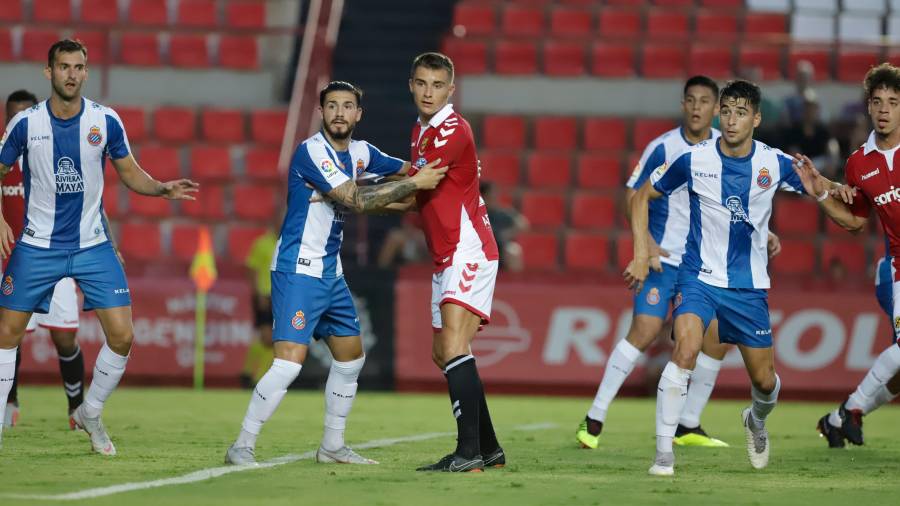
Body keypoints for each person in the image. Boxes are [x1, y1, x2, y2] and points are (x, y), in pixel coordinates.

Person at [223, 80, 447, 466]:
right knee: (288, 363)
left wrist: (445, 180)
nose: (339, 113)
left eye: (347, 106)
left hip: (331, 272)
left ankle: (332, 446)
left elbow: (412, 171)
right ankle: (242, 445)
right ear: (321, 112)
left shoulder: (361, 153)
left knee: (350, 359)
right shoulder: (312, 152)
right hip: (297, 269)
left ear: (358, 114)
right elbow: (356, 199)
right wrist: (415, 185)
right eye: (332, 106)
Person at [0, 39, 199, 453]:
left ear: (86, 72)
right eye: (64, 66)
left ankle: (90, 411)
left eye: (79, 67)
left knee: (123, 336)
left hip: (93, 245)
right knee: (6, 333)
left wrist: (161, 189)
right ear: (48, 72)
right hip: (38, 245)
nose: (72, 74)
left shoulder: (105, 121)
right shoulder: (26, 124)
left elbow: (129, 172)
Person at [628, 79, 805, 476]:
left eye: (740, 113)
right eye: (726, 111)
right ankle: (663, 455)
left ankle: (756, 419)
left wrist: (841, 193)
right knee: (685, 349)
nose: (730, 119)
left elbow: (817, 189)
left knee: (765, 381)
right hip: (698, 278)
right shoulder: (694, 159)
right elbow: (642, 195)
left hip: (747, 287)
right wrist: (643, 249)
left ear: (756, 119)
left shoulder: (773, 162)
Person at [578, 76, 736, 450]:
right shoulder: (662, 147)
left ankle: (688, 424)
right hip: (663, 261)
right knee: (645, 331)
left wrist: (762, 234)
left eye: (704, 102)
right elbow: (631, 198)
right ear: (683, 105)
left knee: (717, 338)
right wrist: (645, 245)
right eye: (690, 100)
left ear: (715, 109)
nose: (697, 107)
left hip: (702, 266)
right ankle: (594, 417)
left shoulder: (725, 148)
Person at [405, 52, 504, 473]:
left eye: (437, 85)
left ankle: (469, 454)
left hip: (468, 247)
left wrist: (359, 196)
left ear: (451, 89)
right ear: (412, 85)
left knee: (454, 346)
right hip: (445, 253)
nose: (429, 92)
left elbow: (418, 184)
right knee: (441, 353)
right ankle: (489, 447)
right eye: (422, 83)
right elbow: (418, 195)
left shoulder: (452, 129)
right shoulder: (421, 130)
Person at [795, 63, 900, 448]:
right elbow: (856, 222)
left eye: (893, 101)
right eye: (877, 102)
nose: (885, 109)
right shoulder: (859, 163)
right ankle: (850, 411)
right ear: (869, 108)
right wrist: (821, 192)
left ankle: (840, 417)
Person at [2, 89, 89, 431]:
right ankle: (10, 403)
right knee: (11, 333)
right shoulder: (2, 155)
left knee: (65, 337)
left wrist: (107, 242)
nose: (17, 121)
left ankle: (76, 409)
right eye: (12, 115)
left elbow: (88, 197)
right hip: (12, 261)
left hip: (57, 254)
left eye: (24, 114)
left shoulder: (55, 149)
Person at [239, 226, 277, 388]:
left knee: (274, 340)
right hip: (265, 295)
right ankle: (253, 377)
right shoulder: (262, 244)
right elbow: (251, 269)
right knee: (268, 338)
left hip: (282, 297)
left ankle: (250, 375)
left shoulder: (289, 243)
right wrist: (257, 293)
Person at [480, 181, 527, 272]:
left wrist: (508, 233)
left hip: (501, 247)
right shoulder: (477, 213)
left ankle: (513, 283)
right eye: (490, 195)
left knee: (514, 250)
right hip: (481, 248)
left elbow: (523, 224)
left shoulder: (502, 212)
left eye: (494, 194)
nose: (494, 197)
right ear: (483, 196)